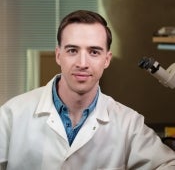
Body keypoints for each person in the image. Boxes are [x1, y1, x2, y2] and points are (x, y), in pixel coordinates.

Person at [0, 10, 175, 170]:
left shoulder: (129, 124)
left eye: (94, 52)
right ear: (58, 55)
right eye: (72, 50)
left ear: (107, 60)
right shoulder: (12, 114)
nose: (82, 64)